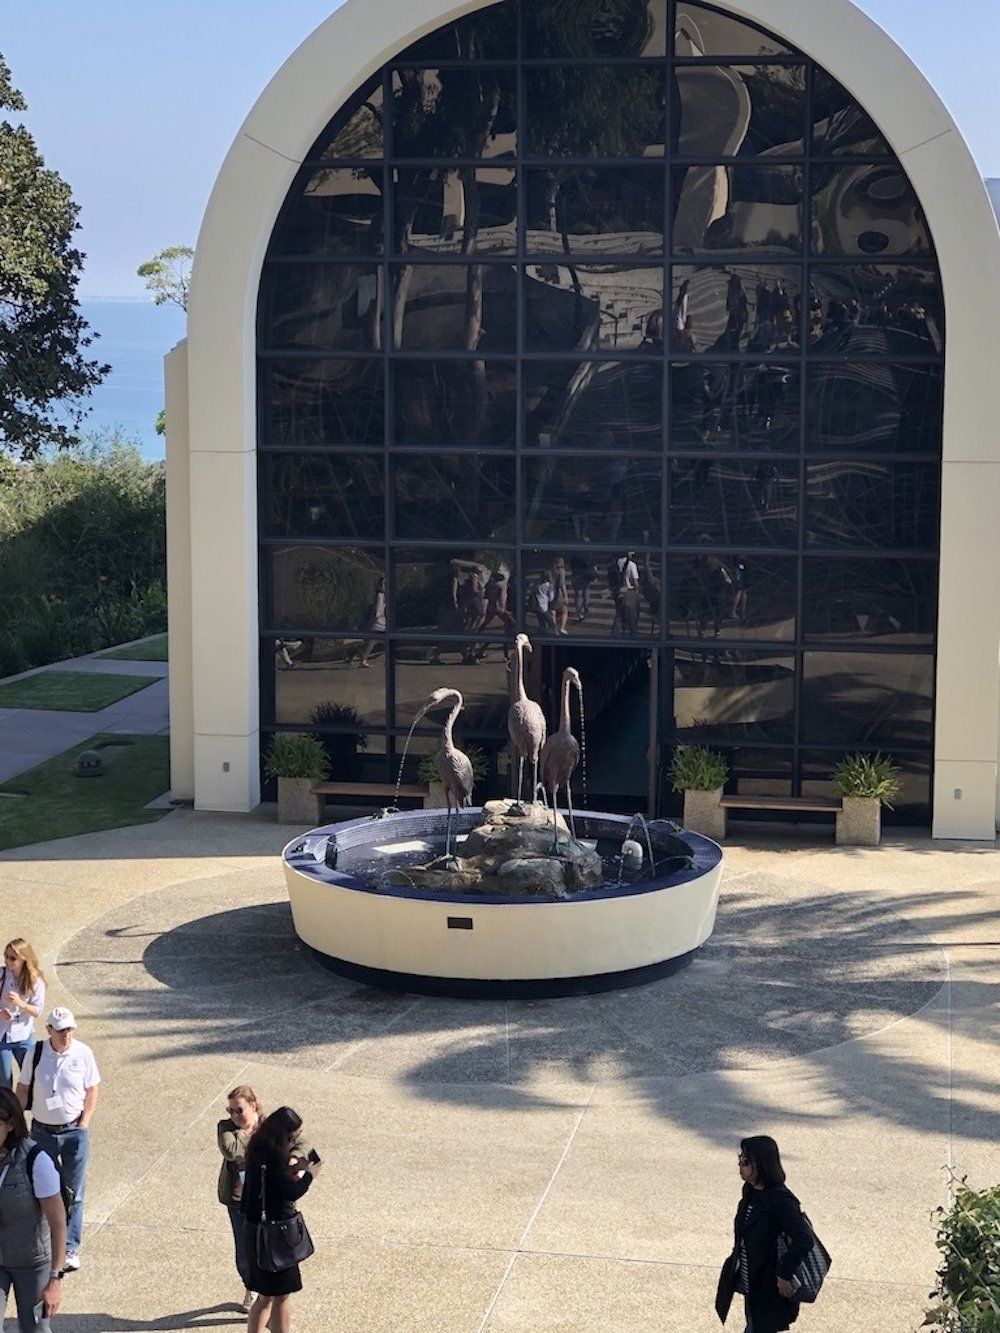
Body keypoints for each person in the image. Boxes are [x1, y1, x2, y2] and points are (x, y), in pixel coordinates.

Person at [17, 1006, 100, 1273]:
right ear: (49, 1030)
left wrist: (84, 1122)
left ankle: (70, 1247)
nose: (67, 1035)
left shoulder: (83, 1053)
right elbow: (23, 1087)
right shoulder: (36, 1053)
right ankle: (46, 1241)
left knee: (74, 1191)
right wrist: (17, 1121)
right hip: (42, 1132)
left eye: (70, 1029)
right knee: (43, 1188)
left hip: (74, 1132)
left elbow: (92, 1089)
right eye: (61, 1030)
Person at [717, 1135, 814, 1332]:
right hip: (752, 1282)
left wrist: (783, 1274)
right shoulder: (750, 1192)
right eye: (740, 1158)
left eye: (745, 1161)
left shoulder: (781, 1201)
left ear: (761, 1165)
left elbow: (804, 1239)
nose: (740, 1165)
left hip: (769, 1287)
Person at [241, 1106, 321, 1333]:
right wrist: (309, 1175)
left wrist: (292, 1168)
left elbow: (269, 1185)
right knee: (281, 1296)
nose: (294, 1140)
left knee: (265, 1296)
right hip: (275, 1235)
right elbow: (291, 1192)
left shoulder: (257, 1149)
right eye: (292, 1136)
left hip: (255, 1231)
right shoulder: (274, 1157)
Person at [0, 1085, 67, 1332]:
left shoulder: (35, 1161)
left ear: (11, 1125)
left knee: (34, 1330)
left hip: (32, 1264)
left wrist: (55, 1280)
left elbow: (58, 1224)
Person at [217, 1085, 264, 1311]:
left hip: (265, 1197)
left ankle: (267, 1293)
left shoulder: (268, 1124)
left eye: (239, 1110)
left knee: (266, 1247)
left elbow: (297, 1142)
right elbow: (230, 1150)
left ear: (253, 1106)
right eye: (231, 1110)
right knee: (244, 1251)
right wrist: (253, 1136)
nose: (234, 1115)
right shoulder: (225, 1127)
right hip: (238, 1200)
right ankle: (251, 1287)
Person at [0, 939, 45, 1090]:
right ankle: (7, 1105)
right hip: (2, 1036)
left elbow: (37, 1011)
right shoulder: (2, 975)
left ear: (24, 959)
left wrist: (21, 1004)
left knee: (32, 1076)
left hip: (23, 1035)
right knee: (4, 1081)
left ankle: (31, 1103)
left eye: (12, 958)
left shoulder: (35, 982)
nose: (8, 961)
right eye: (6, 956)